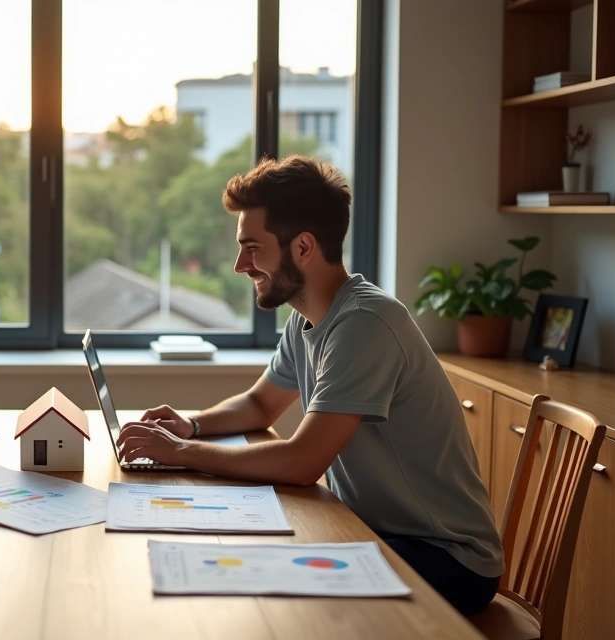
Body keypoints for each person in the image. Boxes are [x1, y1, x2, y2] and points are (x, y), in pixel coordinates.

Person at [116, 156, 503, 616]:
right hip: (372, 531)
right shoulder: (309, 319)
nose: (241, 265)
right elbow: (261, 405)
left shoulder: (365, 323)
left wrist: (179, 455)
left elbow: (302, 461)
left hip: (446, 558)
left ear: (302, 247)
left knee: (268, 592)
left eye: (252, 247)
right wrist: (191, 427)